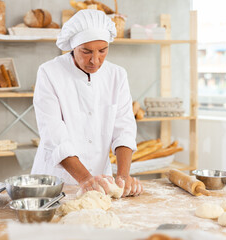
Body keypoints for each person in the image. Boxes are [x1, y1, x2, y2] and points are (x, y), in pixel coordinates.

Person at [31, 9, 143, 197]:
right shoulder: (49, 73)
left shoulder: (117, 75)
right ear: (73, 47)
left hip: (101, 182)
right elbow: (53, 133)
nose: (95, 60)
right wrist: (84, 179)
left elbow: (124, 128)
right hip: (55, 183)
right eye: (86, 51)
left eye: (103, 50)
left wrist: (123, 176)